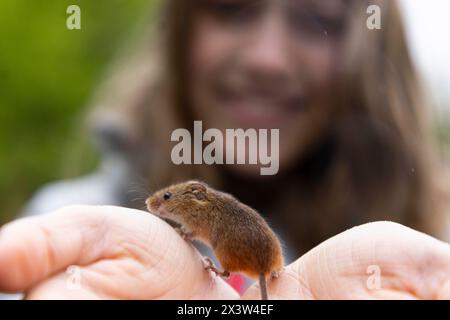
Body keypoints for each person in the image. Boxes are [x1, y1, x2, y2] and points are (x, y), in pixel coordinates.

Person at [3, 0, 450, 299]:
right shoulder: (66, 219)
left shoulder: (433, 249)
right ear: (181, 32)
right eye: (231, 8)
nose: (267, 60)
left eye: (317, 20)